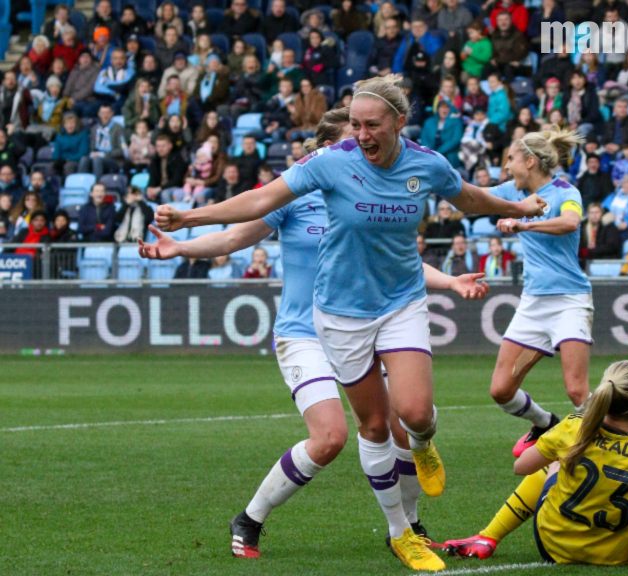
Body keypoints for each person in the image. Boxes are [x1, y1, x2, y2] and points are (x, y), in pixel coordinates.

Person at [152, 74, 545, 572]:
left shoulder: (426, 164)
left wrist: (514, 209)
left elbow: (467, 197)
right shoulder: (324, 170)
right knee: (363, 429)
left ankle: (423, 458)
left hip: (398, 303)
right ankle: (398, 533)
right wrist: (188, 222)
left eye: (370, 126)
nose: (360, 136)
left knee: (416, 415)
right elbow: (251, 209)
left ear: (399, 123)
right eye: (353, 127)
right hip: (330, 320)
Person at [443, 360, 628, 566]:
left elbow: (520, 467)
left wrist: (542, 442)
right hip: (613, 556)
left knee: (552, 463)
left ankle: (489, 536)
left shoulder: (573, 427)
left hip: (552, 546)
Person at [471, 127, 593, 457]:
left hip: (569, 300)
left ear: (529, 160)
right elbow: (475, 197)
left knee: (576, 389)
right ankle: (545, 424)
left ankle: (607, 448)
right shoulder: (512, 190)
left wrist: (523, 222)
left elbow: (570, 223)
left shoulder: (566, 191)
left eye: (511, 159)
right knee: (500, 389)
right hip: (534, 303)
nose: (507, 166)